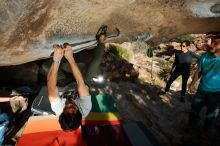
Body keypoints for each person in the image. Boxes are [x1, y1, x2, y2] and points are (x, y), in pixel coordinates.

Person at [47, 43, 92, 131]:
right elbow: (80, 82)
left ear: (62, 113)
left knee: (47, 68)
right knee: (95, 63)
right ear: (80, 112)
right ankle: (101, 43)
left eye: (67, 107)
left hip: (66, 84)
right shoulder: (86, 108)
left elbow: (50, 86)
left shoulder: (57, 109)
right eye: (74, 108)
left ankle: (57, 58)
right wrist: (70, 57)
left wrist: (56, 60)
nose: (70, 104)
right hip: (81, 83)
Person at [187, 35, 220, 138]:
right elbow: (199, 71)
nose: (211, 45)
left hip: (216, 93)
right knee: (194, 109)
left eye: (216, 43)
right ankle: (190, 125)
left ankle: (205, 131)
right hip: (202, 89)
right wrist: (192, 84)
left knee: (211, 114)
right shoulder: (205, 56)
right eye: (212, 42)